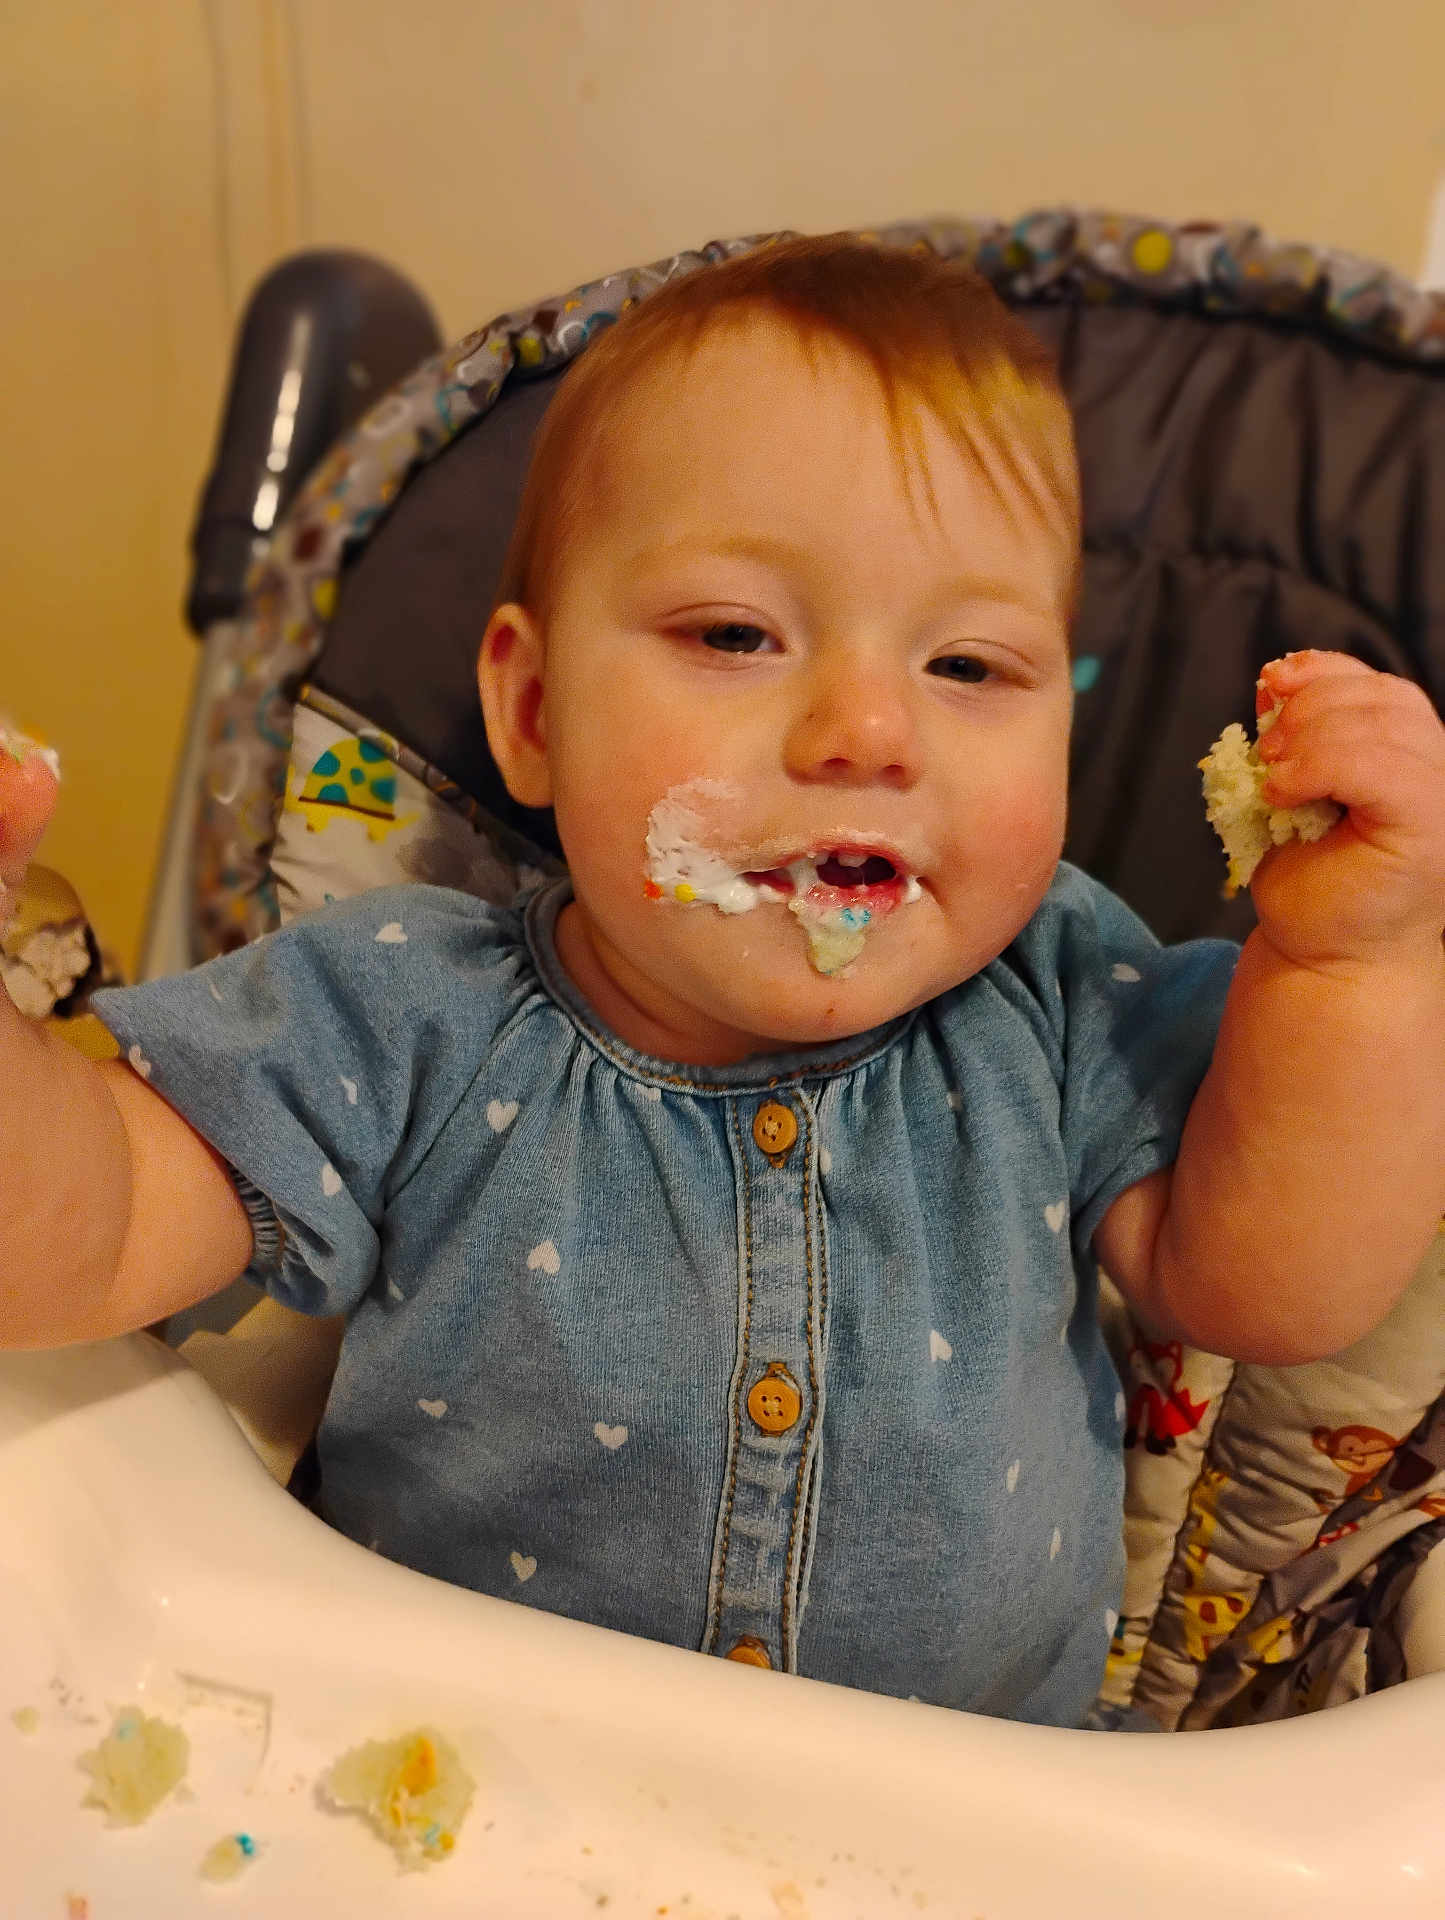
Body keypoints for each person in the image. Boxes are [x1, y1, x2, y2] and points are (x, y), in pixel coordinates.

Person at [2, 238, 1443, 1728]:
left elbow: (1279, 1289)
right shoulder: (396, 1017)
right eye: (736, 635)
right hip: (454, 1796)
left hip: (975, 1832)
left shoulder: (1061, 1001)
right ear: (537, 709)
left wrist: (1352, 957)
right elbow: (84, 1239)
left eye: (967, 666)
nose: (867, 730)